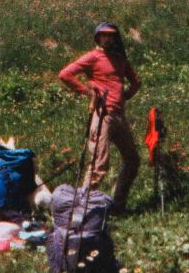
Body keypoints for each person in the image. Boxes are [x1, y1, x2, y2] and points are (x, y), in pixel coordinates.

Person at [58, 22, 141, 214]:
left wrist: (125, 96)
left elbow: (136, 81)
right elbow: (65, 75)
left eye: (111, 35)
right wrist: (89, 92)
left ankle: (117, 205)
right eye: (104, 35)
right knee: (98, 164)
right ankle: (80, 211)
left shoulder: (119, 59)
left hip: (119, 115)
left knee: (133, 160)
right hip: (103, 115)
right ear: (98, 37)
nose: (108, 38)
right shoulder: (93, 57)